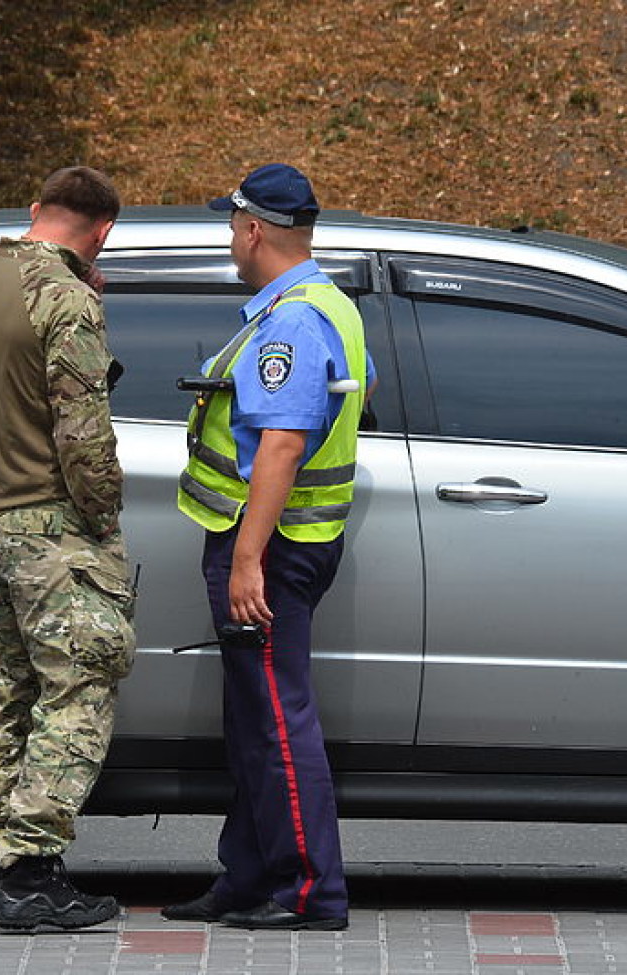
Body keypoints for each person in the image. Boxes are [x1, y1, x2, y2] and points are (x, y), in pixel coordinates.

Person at [165, 164, 373, 931]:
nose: (230, 236)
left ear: (254, 230)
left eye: (232, 225)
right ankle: (249, 877)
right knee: (255, 718)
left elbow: (282, 444)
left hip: (272, 550)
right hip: (297, 542)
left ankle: (311, 891)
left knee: (279, 721)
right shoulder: (330, 305)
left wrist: (247, 558)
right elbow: (359, 393)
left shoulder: (288, 321)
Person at [0, 166, 135, 931]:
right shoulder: (67, 298)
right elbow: (82, 433)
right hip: (51, 531)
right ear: (103, 232)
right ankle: (33, 870)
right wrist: (104, 516)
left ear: (34, 211)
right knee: (80, 687)